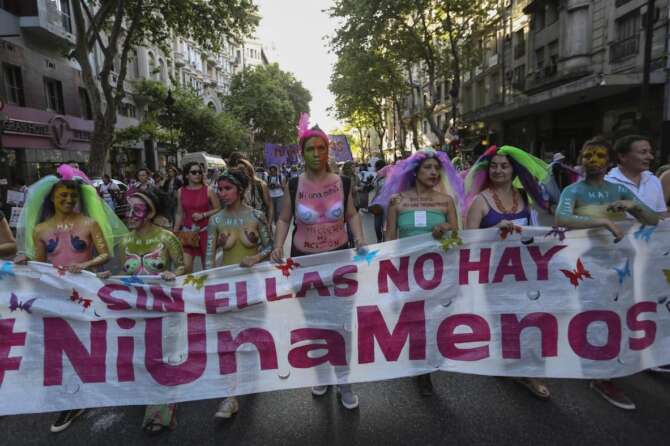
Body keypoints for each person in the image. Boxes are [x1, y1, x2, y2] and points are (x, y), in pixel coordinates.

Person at [14, 164, 127, 432]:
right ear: (52, 198)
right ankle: (71, 395)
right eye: (62, 196)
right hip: (54, 294)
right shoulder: (40, 229)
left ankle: (82, 393)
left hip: (84, 292)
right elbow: (41, 264)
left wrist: (86, 266)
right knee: (60, 344)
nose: (67, 200)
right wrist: (26, 260)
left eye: (71, 196)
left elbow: (105, 254)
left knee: (87, 341)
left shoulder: (89, 223)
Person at [555, 137, 659, 410]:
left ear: (609, 161)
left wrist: (631, 206)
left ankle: (602, 369)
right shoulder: (573, 191)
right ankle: (601, 375)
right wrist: (600, 220)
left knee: (614, 318)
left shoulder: (618, 190)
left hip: (619, 268)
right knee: (593, 318)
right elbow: (561, 218)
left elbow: (653, 219)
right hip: (584, 268)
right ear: (580, 160)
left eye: (599, 156)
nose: (593, 161)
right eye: (588, 156)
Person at [271, 113, 366, 409]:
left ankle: (344, 381)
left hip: (339, 263)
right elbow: (284, 218)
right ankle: (321, 374)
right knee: (314, 324)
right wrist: (277, 246)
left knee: (341, 324)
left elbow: (351, 215)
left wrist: (361, 239)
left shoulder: (343, 182)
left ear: (328, 151)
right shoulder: (293, 184)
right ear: (303, 153)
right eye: (310, 149)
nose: (316, 154)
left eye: (321, 148)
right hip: (304, 264)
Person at [465, 145, 552, 400]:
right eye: (494, 166)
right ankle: (508, 362)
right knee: (503, 321)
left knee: (529, 320)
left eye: (504, 166)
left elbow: (535, 231)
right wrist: (493, 232)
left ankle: (527, 373)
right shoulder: (480, 201)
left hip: (524, 272)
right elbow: (468, 240)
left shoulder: (524, 197)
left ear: (513, 169)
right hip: (493, 274)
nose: (499, 170)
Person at [98, 187, 185, 434]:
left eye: (137, 209)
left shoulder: (168, 238)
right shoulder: (125, 241)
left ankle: (161, 410)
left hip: (164, 307)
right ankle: (151, 395)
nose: (131, 214)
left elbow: (182, 269)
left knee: (163, 356)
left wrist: (172, 273)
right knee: (144, 356)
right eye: (129, 209)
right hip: (137, 309)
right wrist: (108, 278)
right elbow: (128, 275)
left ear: (150, 213)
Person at [378, 148, 463, 395]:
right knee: (414, 320)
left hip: (436, 271)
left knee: (433, 318)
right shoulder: (398, 201)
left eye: (437, 169)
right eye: (428, 168)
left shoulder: (446, 201)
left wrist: (446, 226)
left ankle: (426, 364)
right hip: (406, 271)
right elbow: (390, 237)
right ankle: (420, 369)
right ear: (415, 172)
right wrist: (389, 272)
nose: (434, 172)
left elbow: (457, 238)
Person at [205, 168, 272, 419]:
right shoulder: (215, 221)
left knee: (252, 337)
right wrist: (208, 285)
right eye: (219, 189)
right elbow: (208, 259)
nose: (222, 194)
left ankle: (252, 378)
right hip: (226, 289)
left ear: (240, 190)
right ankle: (230, 396)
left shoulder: (257, 216)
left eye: (227, 189)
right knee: (227, 342)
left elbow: (269, 247)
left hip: (253, 286)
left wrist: (256, 256)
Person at [173, 162, 221, 273]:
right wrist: (175, 231)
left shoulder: (208, 190)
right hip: (188, 232)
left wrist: (203, 215)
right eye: (194, 172)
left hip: (206, 232)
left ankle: (209, 289)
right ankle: (191, 289)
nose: (197, 174)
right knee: (186, 266)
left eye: (200, 172)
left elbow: (218, 209)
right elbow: (179, 213)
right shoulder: (181, 191)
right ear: (186, 175)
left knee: (208, 269)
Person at [605, 135, 666, 216]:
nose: (650, 157)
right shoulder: (606, 183)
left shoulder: (653, 180)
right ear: (622, 156)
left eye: (650, 152)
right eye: (643, 152)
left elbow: (661, 215)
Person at [237, 158, 273, 225]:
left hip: (259, 223)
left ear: (249, 169)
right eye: (238, 169)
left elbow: (270, 205)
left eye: (242, 169)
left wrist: (269, 223)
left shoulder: (260, 184)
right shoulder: (236, 186)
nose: (240, 171)